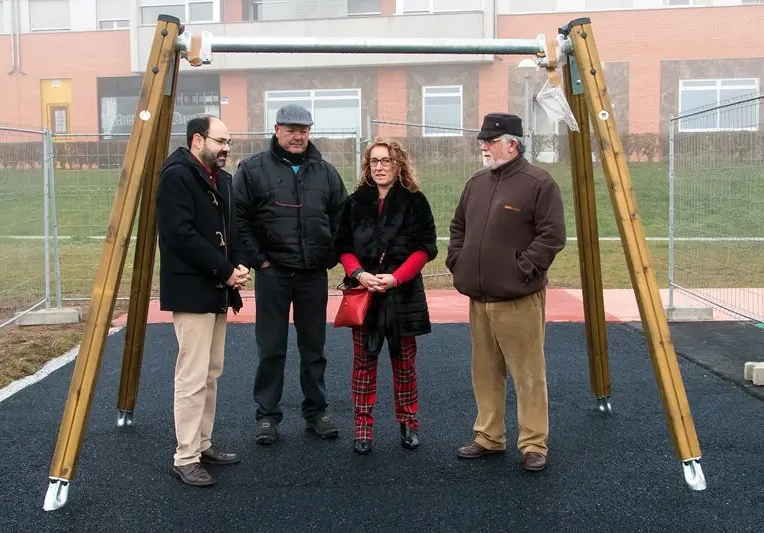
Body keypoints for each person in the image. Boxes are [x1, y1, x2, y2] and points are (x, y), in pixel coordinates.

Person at [446, 112, 566, 472]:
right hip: (479, 298)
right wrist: (458, 261)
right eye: (482, 140)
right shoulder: (476, 183)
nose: (483, 145)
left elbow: (552, 235)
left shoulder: (539, 183)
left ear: (512, 144)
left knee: (528, 374)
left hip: (518, 299)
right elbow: (458, 227)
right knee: (485, 372)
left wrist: (522, 269)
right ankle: (488, 437)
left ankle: (533, 443)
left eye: (490, 140)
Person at [233, 104, 348, 445]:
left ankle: (317, 412)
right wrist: (260, 260)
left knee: (314, 348)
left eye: (304, 130)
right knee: (271, 348)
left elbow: (343, 218)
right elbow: (239, 219)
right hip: (273, 274)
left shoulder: (325, 172)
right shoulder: (252, 169)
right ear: (277, 130)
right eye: (291, 130)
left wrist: (329, 257)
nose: (298, 136)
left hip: (313, 274)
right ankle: (268, 416)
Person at [156, 115, 250, 487]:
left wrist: (238, 264)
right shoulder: (176, 177)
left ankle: (202, 444)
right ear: (198, 140)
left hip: (217, 288)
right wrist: (224, 271)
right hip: (193, 288)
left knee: (211, 372)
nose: (226, 148)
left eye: (228, 142)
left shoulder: (221, 179)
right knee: (192, 376)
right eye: (220, 141)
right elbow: (180, 235)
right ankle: (185, 456)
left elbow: (231, 227)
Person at [334, 138, 437, 454]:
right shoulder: (354, 203)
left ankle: (408, 424)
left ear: (398, 164)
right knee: (363, 364)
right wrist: (359, 274)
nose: (379, 167)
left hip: (403, 295)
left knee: (404, 364)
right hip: (364, 294)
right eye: (374, 161)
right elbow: (343, 246)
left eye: (386, 160)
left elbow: (425, 248)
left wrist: (395, 278)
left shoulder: (415, 202)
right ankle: (362, 428)